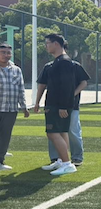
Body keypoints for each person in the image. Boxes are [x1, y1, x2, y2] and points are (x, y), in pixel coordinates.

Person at [34, 34, 77, 176]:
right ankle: (61, 160)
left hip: (58, 105)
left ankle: (67, 163)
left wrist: (63, 106)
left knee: (52, 133)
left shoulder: (63, 62)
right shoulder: (59, 61)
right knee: (61, 132)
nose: (46, 46)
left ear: (56, 44)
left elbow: (66, 85)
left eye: (48, 43)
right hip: (56, 104)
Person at [44, 41, 90, 167]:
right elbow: (43, 83)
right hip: (54, 105)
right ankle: (56, 158)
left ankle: (76, 157)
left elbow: (83, 82)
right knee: (54, 131)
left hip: (71, 105)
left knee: (72, 131)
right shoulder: (50, 66)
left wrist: (72, 94)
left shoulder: (74, 65)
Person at [0, 43, 29, 171]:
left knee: (5, 136)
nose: (6, 55)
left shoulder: (16, 70)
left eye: (8, 53)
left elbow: (20, 89)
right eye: (3, 52)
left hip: (11, 109)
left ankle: (0, 161)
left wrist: (24, 106)